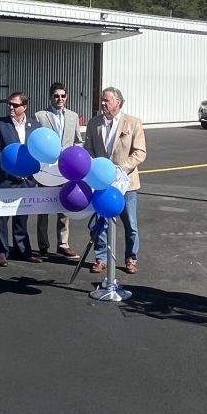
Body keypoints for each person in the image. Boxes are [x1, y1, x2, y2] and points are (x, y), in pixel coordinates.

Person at [83, 86, 146, 274]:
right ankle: (101, 259)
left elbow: (140, 152)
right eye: (102, 100)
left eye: (106, 100)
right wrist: (98, 167)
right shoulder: (94, 124)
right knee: (101, 223)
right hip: (102, 183)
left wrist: (121, 169)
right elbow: (88, 150)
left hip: (126, 183)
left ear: (118, 102)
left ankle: (130, 258)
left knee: (130, 224)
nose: (103, 103)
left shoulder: (133, 123)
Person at [0, 91, 42, 267]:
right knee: (1, 216)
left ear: (24, 107)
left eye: (15, 105)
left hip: (27, 180)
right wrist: (11, 172)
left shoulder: (34, 126)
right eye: (9, 104)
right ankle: (1, 252)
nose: (11, 107)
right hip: (5, 178)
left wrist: (30, 171)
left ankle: (22, 250)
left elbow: (38, 151)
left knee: (22, 216)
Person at [34, 82, 83, 259]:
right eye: (56, 96)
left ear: (67, 97)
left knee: (64, 207)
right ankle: (43, 246)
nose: (60, 99)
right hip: (47, 170)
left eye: (63, 96)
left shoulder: (73, 116)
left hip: (67, 169)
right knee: (44, 208)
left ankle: (63, 244)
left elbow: (78, 141)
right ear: (50, 97)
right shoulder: (40, 116)